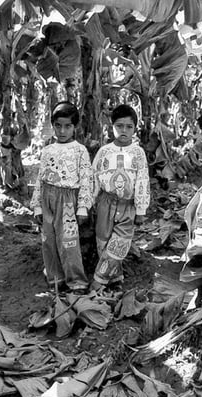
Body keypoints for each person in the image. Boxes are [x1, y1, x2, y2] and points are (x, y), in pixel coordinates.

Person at [30, 101, 93, 293]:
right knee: (48, 240)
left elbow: (86, 179)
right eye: (58, 125)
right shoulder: (47, 150)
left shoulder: (80, 150)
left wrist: (83, 207)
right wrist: (37, 206)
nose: (62, 131)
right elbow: (40, 178)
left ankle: (76, 282)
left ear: (75, 127)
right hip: (47, 197)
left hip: (68, 200)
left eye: (67, 126)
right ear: (53, 126)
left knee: (68, 242)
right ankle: (55, 279)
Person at [91, 104, 150, 292]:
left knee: (120, 244)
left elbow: (142, 181)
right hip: (105, 203)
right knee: (103, 241)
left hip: (128, 205)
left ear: (135, 128)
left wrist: (141, 210)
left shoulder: (138, 153)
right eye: (119, 126)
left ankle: (98, 281)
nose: (124, 131)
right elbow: (94, 179)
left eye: (129, 127)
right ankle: (115, 279)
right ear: (111, 126)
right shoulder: (104, 152)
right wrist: (88, 203)